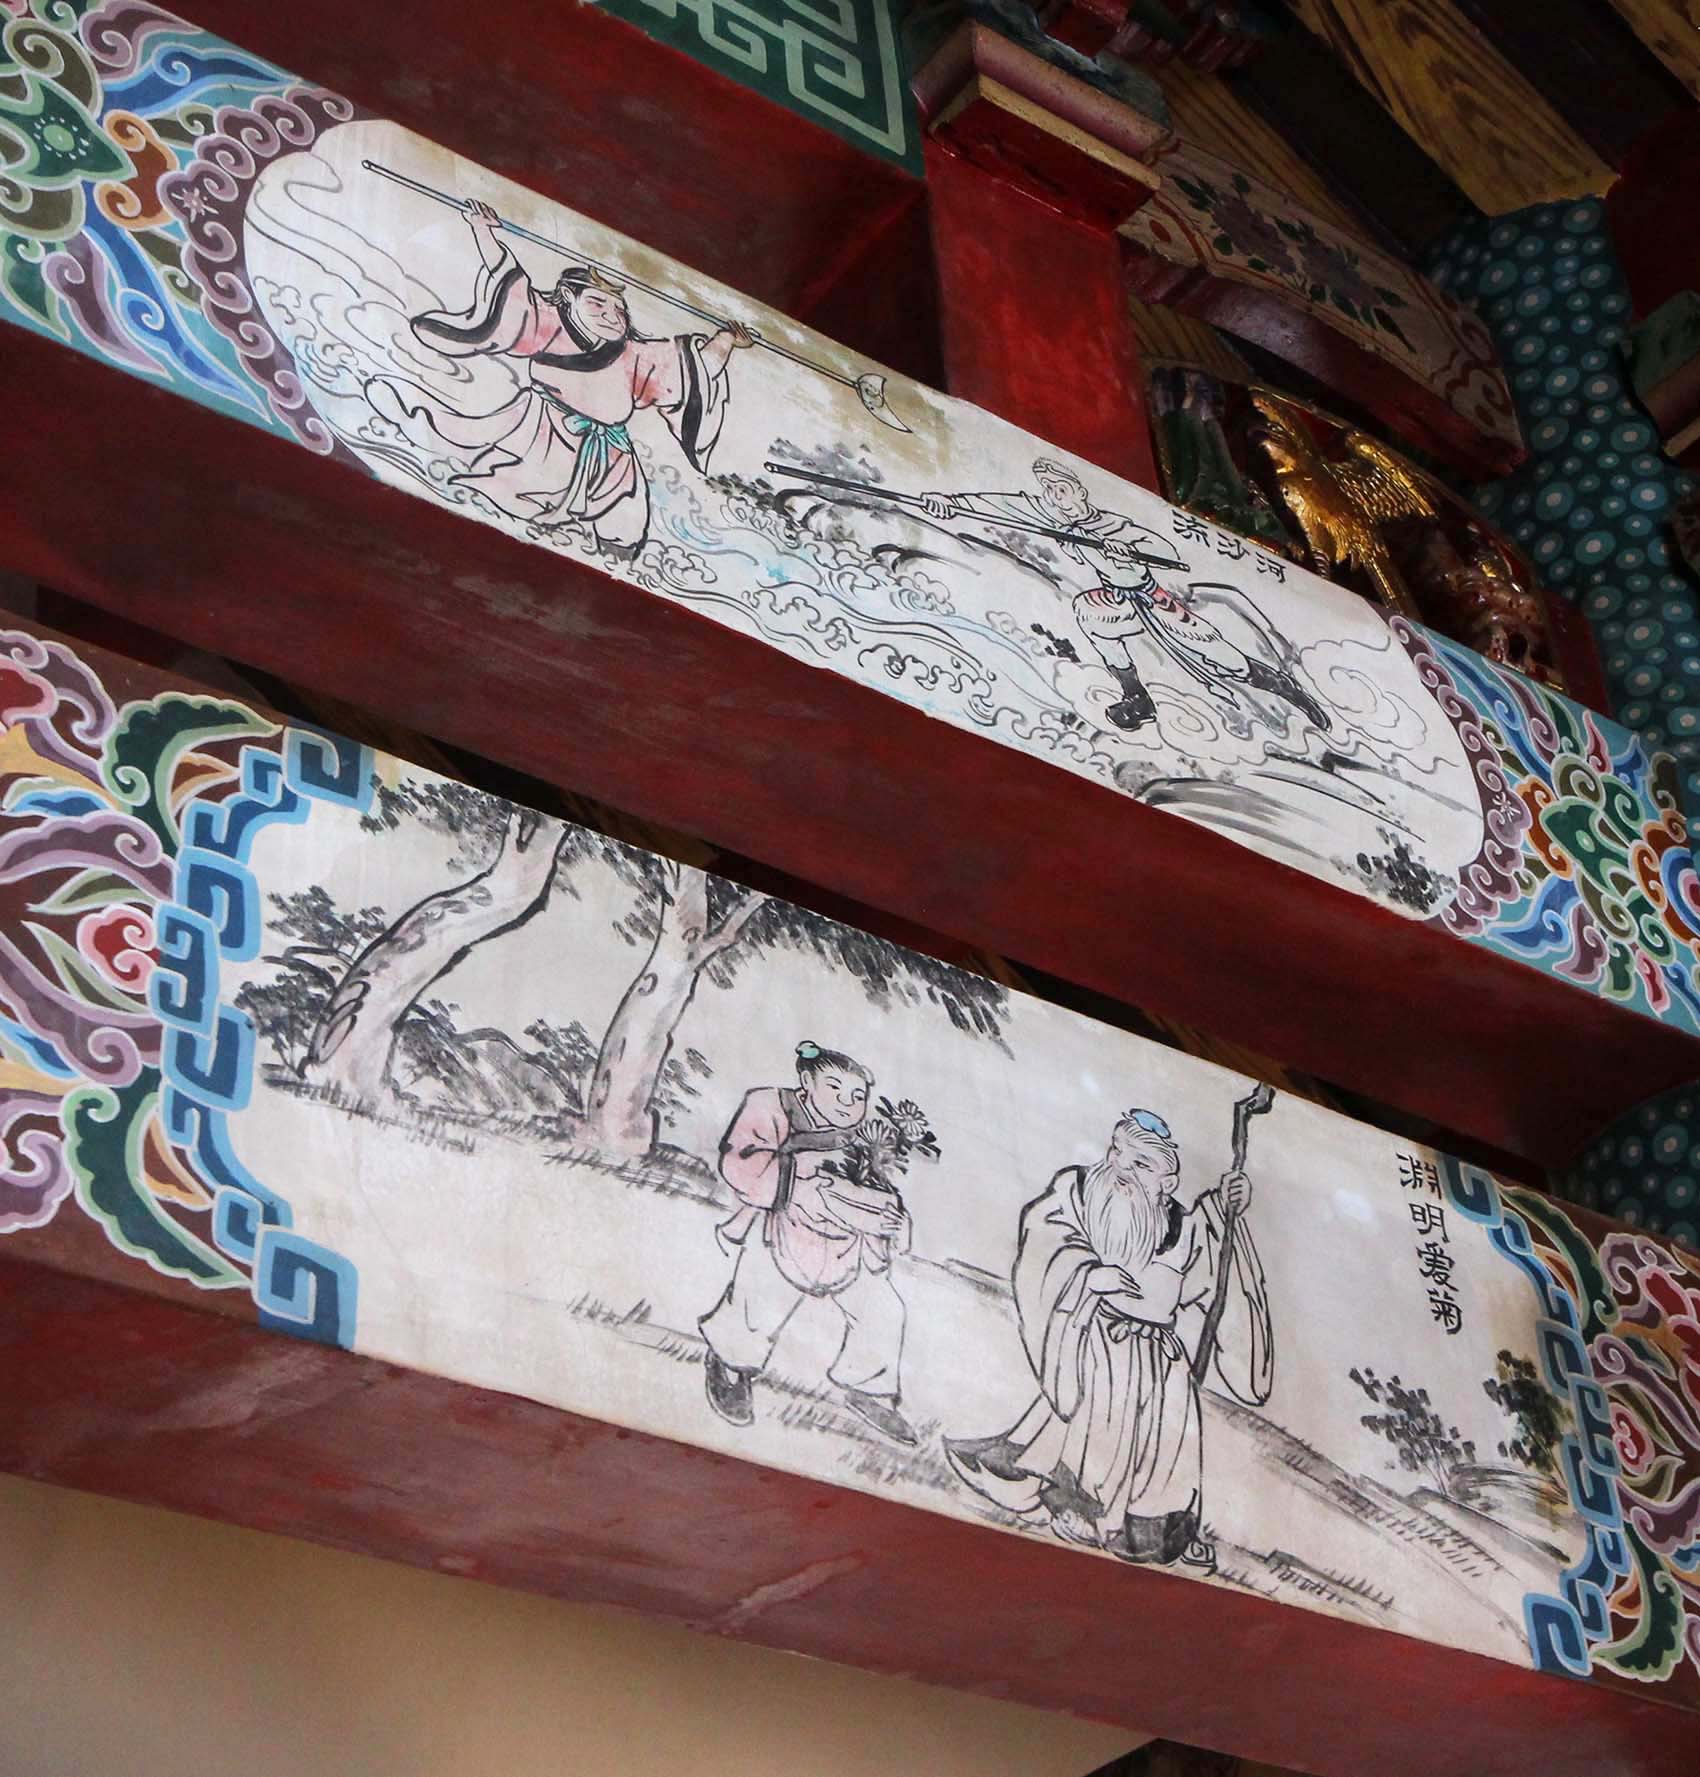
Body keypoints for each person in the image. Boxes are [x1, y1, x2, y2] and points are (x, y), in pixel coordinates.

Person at [946, 1108, 1273, 1572]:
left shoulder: (1185, 1226)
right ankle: (1077, 1508)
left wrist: (1226, 1207)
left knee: (1163, 1452)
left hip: (1161, 1363)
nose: (1121, 1166)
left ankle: (1153, 1531)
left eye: (1141, 1163)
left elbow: (1214, 1269)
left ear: (1167, 1181)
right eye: (1117, 1151)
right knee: (1089, 1430)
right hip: (1096, 1338)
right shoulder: (1079, 1191)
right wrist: (1089, 1274)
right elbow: (1047, 1239)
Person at [368, 198, 752, 556]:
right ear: (568, 298)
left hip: (614, 452)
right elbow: (510, 284)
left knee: (626, 520)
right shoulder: (548, 324)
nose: (611, 316)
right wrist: (483, 232)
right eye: (597, 303)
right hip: (548, 433)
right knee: (518, 490)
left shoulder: (636, 353)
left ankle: (617, 553)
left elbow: (689, 368)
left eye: (618, 310)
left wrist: (726, 340)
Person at [921, 460, 1330, 734]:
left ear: (1079, 494)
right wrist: (951, 504)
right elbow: (1002, 505)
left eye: (1061, 491)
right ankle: (1136, 697)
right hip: (1117, 601)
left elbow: (1166, 553)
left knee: (1225, 658)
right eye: (1050, 492)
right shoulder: (1053, 519)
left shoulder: (1116, 525)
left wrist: (1126, 551)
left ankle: (1287, 689)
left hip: (1152, 599)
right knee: (1089, 614)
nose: (1055, 499)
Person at [700, 1041, 918, 1445]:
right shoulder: (769, 1106)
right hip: (780, 1226)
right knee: (755, 1303)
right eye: (835, 1089)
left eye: (857, 1096)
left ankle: (868, 1388)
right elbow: (740, 1161)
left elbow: (880, 1189)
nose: (847, 1103)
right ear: (806, 1083)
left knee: (884, 1309)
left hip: (845, 1242)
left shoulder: (865, 1138)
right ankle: (730, 1365)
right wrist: (799, 1184)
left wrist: (891, 1221)